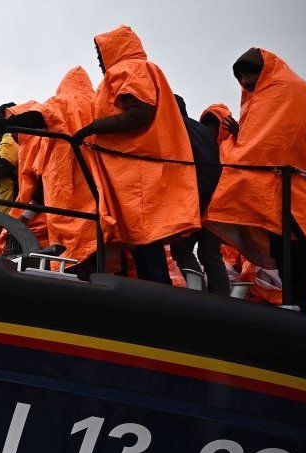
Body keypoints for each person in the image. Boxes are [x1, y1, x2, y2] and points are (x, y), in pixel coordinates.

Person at [74, 25, 201, 284]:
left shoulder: (130, 69)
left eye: (100, 54)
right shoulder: (139, 70)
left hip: (139, 174)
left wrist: (91, 129)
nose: (99, 60)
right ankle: (155, 294)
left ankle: (156, 296)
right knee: (145, 242)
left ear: (115, 48)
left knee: (146, 241)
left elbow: (139, 114)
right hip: (139, 172)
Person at [203, 48, 306, 310]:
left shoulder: (283, 94)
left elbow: (269, 145)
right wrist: (240, 135)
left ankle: (296, 310)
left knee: (297, 255)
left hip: (290, 192)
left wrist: (234, 143)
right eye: (242, 81)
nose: (245, 85)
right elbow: (267, 141)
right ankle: (295, 312)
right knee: (290, 257)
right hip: (284, 194)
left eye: (248, 79)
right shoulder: (285, 95)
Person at [5, 67, 100, 274]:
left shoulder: (61, 104)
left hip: (64, 198)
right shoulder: (99, 103)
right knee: (93, 254)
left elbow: (39, 114)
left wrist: (10, 120)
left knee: (75, 257)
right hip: (97, 200)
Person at [168, 94, 230, 295]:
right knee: (210, 252)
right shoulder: (204, 133)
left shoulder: (175, 127)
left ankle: (198, 294)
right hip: (217, 198)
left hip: (194, 196)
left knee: (181, 248)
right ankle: (221, 299)